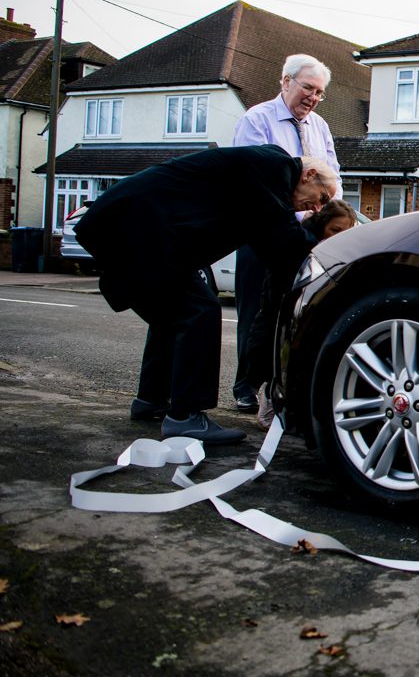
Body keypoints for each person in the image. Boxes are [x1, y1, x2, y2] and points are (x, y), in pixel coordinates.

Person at [75, 146, 337, 444]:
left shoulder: (264, 177)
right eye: (322, 198)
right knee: (199, 311)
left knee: (170, 316)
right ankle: (186, 416)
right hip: (137, 226)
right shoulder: (275, 168)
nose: (317, 209)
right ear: (309, 175)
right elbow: (285, 241)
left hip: (134, 226)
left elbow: (272, 248)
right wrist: (331, 255)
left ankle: (151, 399)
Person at [229, 54, 342, 412]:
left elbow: (334, 178)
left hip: (305, 238)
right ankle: (246, 386)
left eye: (319, 92)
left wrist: (326, 211)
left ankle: (277, 386)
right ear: (285, 82)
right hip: (262, 232)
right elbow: (249, 179)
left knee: (291, 311)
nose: (312, 97)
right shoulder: (257, 119)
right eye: (308, 88)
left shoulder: (320, 126)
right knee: (255, 311)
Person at [245, 199, 357, 431]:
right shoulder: (301, 244)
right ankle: (269, 399)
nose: (338, 236)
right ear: (321, 224)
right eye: (334, 230)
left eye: (345, 232)